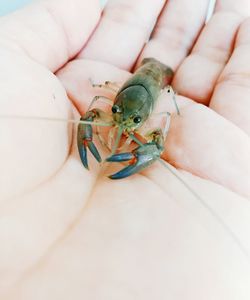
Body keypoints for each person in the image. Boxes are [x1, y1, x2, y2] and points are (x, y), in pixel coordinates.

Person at [0, 0, 249, 299]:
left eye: (132, 122)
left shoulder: (158, 107)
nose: (122, 123)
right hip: (142, 75)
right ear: (114, 99)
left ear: (144, 117)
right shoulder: (114, 105)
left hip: (157, 75)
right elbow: (95, 109)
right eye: (116, 112)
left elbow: (162, 128)